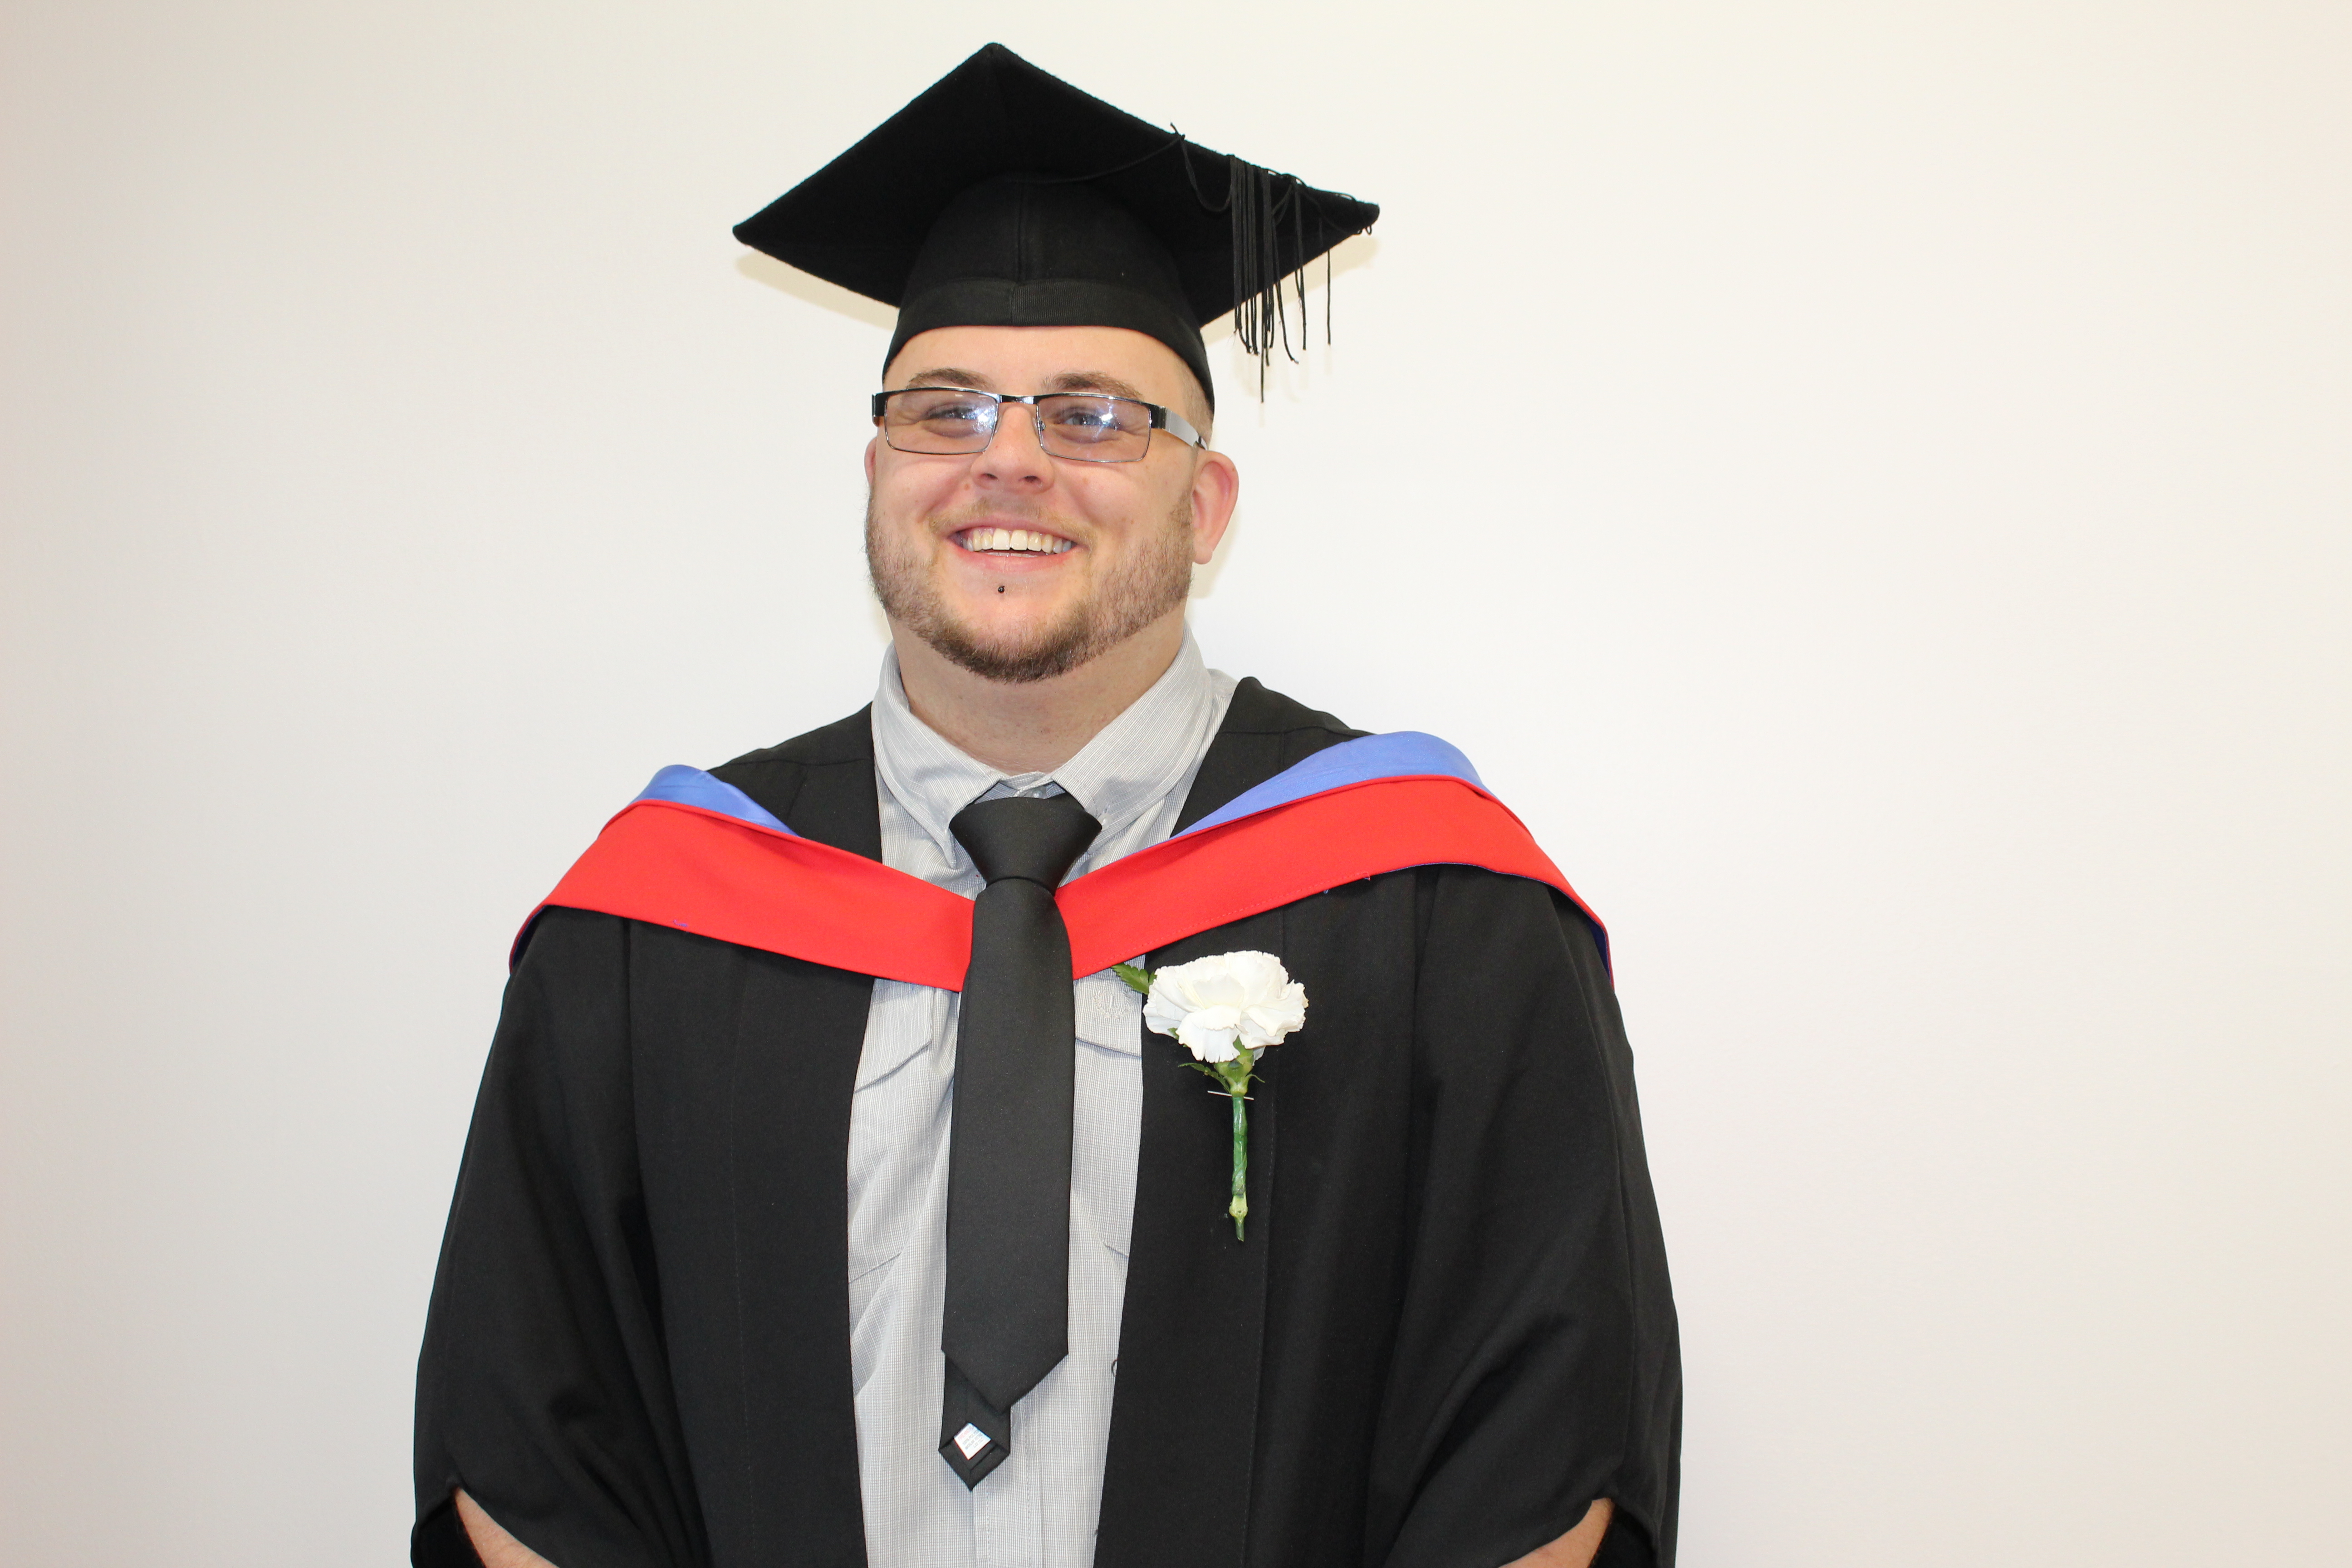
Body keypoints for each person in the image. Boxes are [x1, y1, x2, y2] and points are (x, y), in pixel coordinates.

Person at [413, 43, 1680, 1568]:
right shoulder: (654, 926)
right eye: (944, 410)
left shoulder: (1439, 914)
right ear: (879, 470)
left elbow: (1546, 1446)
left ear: (1204, 506)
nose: (1006, 459)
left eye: (1093, 417)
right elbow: (528, 1437)